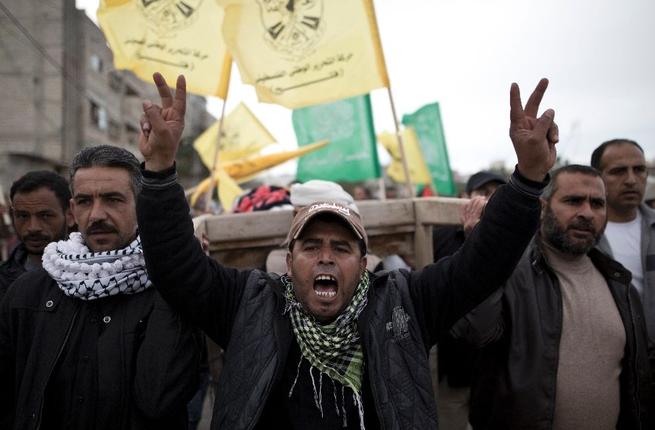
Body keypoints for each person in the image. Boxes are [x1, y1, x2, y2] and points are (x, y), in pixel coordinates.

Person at [136, 72, 557, 429]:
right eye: (311, 245)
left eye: (341, 247)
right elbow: (176, 265)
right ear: (288, 259)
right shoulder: (249, 302)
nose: (325, 256)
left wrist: (528, 178)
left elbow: (481, 264)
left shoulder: (405, 302)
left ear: (362, 262)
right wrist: (158, 171)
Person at [0, 145, 200, 429]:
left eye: (112, 199)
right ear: (72, 210)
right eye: (84, 201)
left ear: (140, 204)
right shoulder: (28, 293)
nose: (96, 214)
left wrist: (177, 274)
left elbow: (161, 400)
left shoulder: (169, 289)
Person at [457, 165, 653, 429]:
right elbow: (475, 332)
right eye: (573, 201)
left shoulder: (621, 284)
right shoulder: (511, 273)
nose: (586, 213)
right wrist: (485, 249)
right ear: (543, 207)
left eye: (597, 204)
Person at [430, 170, 506, 429]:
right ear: (464, 198)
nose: (490, 200)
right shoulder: (438, 237)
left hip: (497, 369)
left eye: (497, 194)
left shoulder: (516, 239)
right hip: (453, 368)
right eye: (484, 193)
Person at [592, 139, 655, 362]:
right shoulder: (581, 238)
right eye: (618, 171)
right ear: (597, 178)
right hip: (608, 366)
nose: (631, 180)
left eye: (639, 170)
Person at [0, 171, 74, 302]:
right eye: (23, 216)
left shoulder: (94, 280)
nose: (33, 227)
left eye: (45, 216)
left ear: (70, 215)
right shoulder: (3, 280)